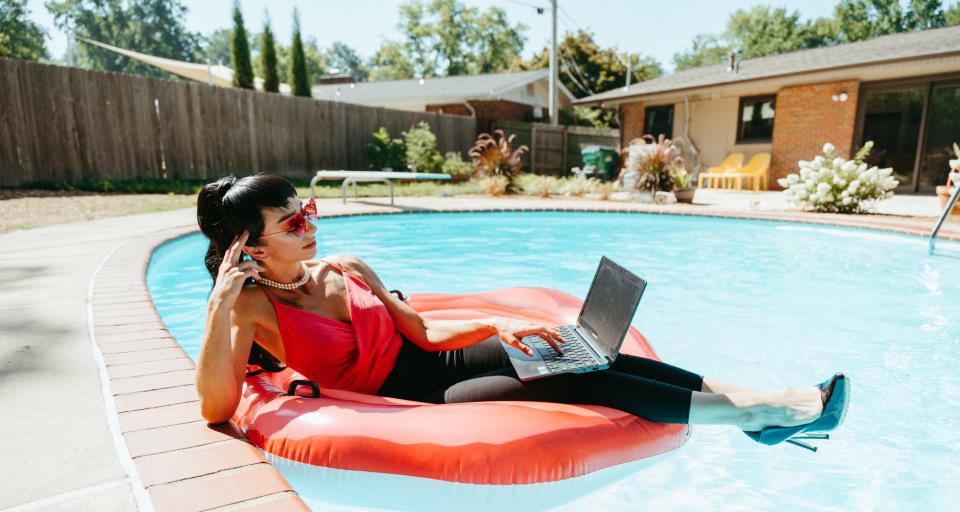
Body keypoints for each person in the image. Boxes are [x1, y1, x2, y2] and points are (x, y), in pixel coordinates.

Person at [195, 174, 849, 451]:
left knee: (591, 349)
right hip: (413, 393)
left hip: (439, 358)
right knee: (572, 377)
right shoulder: (250, 309)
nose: (312, 224)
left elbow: (421, 331)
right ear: (252, 244)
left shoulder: (347, 266)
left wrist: (502, 326)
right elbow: (215, 407)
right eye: (292, 222)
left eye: (309, 210)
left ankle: (767, 399)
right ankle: (760, 419)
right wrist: (220, 303)